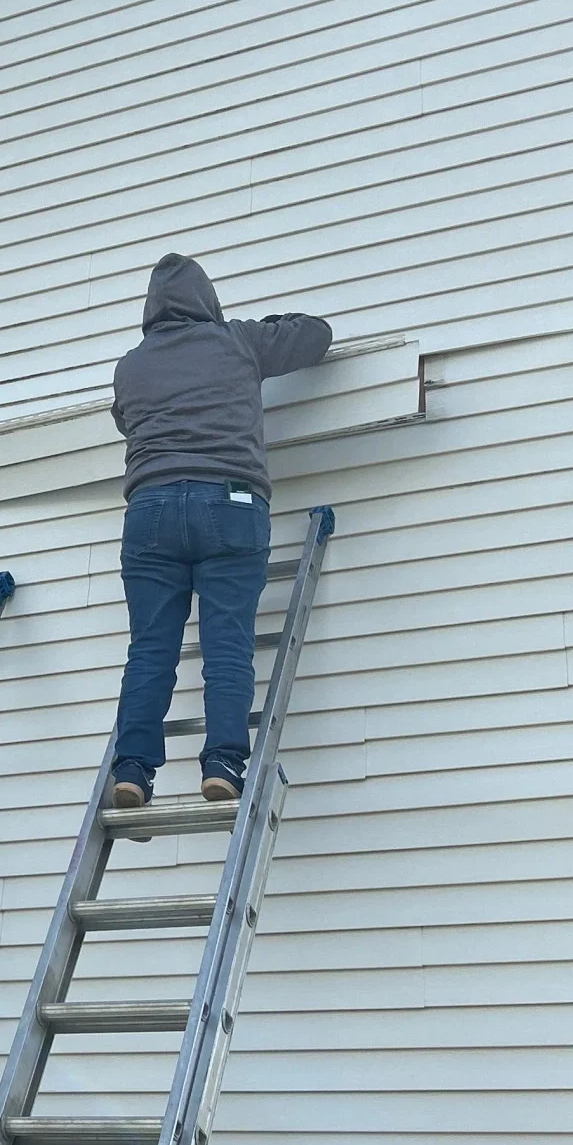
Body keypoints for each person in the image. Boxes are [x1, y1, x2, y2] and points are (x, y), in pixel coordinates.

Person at [108, 253, 333, 809]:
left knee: (150, 650)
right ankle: (224, 764)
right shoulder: (236, 342)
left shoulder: (130, 366)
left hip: (151, 510)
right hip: (229, 502)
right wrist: (265, 328)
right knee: (227, 646)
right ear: (206, 300)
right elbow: (316, 335)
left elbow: (126, 419)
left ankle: (133, 770)